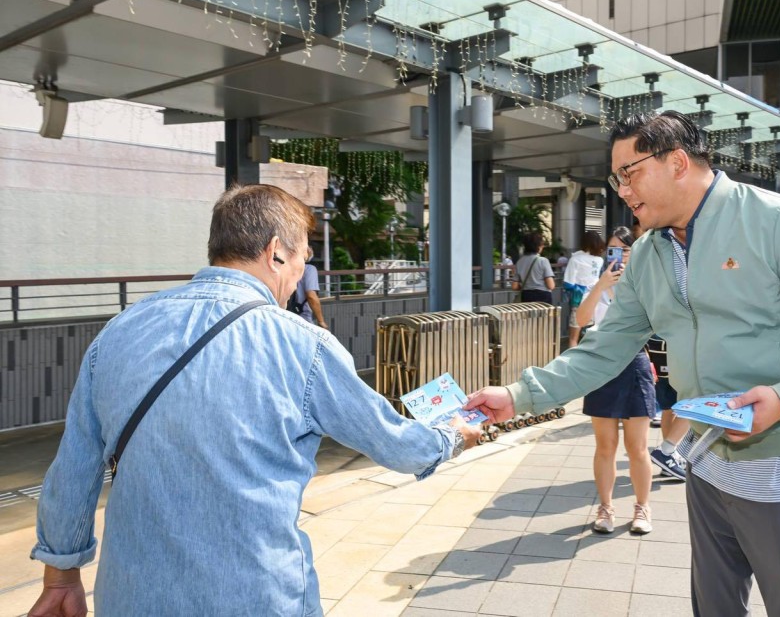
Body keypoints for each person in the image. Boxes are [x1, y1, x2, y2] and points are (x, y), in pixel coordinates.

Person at [466, 110, 780, 616]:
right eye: (615, 177)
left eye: (630, 173)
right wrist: (517, 396)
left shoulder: (775, 219)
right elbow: (605, 349)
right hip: (705, 461)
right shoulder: (648, 254)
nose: (621, 189)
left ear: (678, 162)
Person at [27, 185, 481, 617]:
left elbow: (74, 467)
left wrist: (61, 576)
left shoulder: (120, 331)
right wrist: (451, 435)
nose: (301, 273)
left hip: (133, 596)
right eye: (303, 257)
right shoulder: (304, 346)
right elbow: (398, 445)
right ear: (276, 251)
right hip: (256, 595)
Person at [574, 226, 657, 534]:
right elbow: (582, 320)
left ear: (634, 252)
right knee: (605, 445)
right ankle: (606, 508)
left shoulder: (642, 283)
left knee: (637, 447)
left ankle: (642, 507)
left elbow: (655, 320)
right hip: (601, 368)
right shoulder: (597, 284)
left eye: (624, 250)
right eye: (612, 249)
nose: (618, 255)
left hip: (634, 364)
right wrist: (601, 285)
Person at [646, 334, 690, 481]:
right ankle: (667, 451)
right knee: (694, 406)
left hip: (658, 354)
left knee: (669, 409)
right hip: (677, 356)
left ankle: (669, 456)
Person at [563, 230, 606, 347]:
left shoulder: (575, 259)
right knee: (593, 338)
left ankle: (572, 364)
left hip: (579, 300)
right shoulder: (600, 260)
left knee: (573, 339)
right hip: (597, 300)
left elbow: (568, 283)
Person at [511, 232, 555, 304]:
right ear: (538, 246)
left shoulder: (520, 262)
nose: (543, 246)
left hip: (526, 296)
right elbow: (551, 285)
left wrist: (527, 286)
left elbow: (514, 286)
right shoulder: (543, 261)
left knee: (527, 315)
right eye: (542, 244)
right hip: (543, 298)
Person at [293, 246, 329, 329]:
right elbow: (311, 296)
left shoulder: (283, 268)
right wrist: (321, 321)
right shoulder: (309, 269)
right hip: (302, 316)